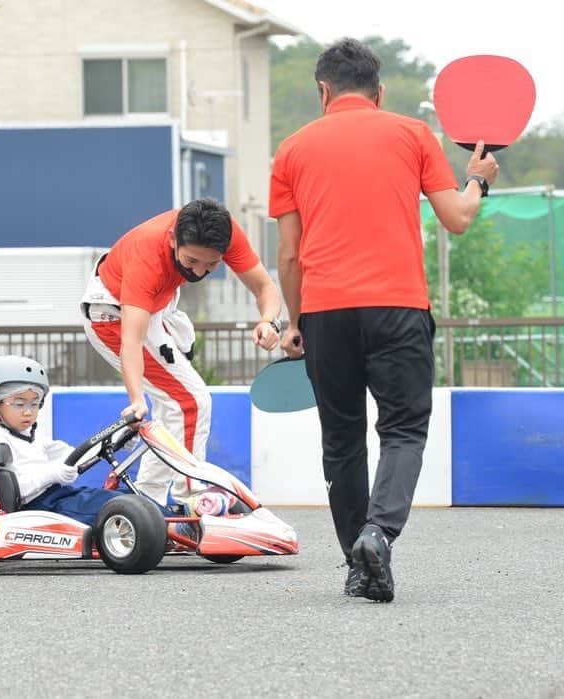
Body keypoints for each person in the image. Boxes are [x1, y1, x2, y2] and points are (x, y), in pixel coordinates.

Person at [268, 38, 499, 602]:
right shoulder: (412, 134)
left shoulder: (292, 149)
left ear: (323, 90)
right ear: (381, 90)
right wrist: (479, 177)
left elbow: (290, 255)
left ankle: (358, 562)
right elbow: (458, 219)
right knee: (402, 430)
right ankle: (380, 533)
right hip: (398, 306)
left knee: (342, 439)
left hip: (324, 310)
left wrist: (292, 322)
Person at [80, 198, 282, 506]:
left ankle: (149, 501)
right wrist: (136, 399)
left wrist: (269, 322)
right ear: (173, 238)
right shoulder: (147, 254)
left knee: (178, 402)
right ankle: (190, 499)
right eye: (191, 262)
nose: (199, 272)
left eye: (211, 265)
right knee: (190, 401)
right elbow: (131, 340)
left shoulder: (226, 233)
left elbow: (265, 288)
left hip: (158, 307)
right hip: (112, 314)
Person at [0, 354, 123, 526]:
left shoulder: (33, 436)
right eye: (19, 404)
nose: (28, 412)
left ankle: (161, 521)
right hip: (35, 507)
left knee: (121, 497)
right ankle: (159, 524)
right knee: (116, 506)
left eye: (34, 404)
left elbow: (74, 455)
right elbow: (13, 489)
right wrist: (53, 473)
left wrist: (118, 438)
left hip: (56, 497)